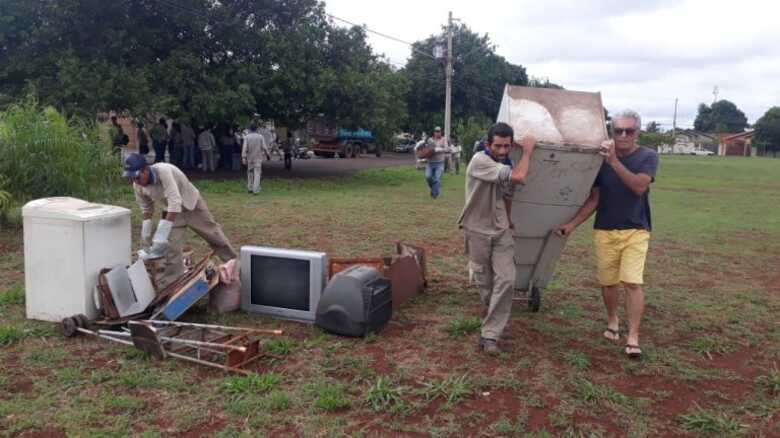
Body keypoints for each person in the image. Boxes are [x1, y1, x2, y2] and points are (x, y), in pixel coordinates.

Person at [554, 109, 659, 360]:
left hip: (636, 229)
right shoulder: (600, 161)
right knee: (608, 283)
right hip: (605, 230)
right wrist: (572, 224)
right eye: (618, 130)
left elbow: (638, 187)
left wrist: (613, 161)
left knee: (632, 282)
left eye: (629, 131)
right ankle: (613, 321)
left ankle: (633, 337)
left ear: (637, 133)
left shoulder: (647, 156)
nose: (623, 135)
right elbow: (595, 199)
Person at [457, 122, 536, 355]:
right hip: (476, 228)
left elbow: (508, 194)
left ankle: (490, 335)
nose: (503, 151)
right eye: (498, 146)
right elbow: (520, 176)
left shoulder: (507, 163)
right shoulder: (480, 161)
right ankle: (491, 312)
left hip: (501, 230)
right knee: (486, 282)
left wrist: (509, 221)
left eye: (507, 146)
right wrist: (528, 150)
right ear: (487, 144)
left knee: (507, 279)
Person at [122, 153, 237, 288]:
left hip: (192, 205)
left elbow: (175, 201)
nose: (135, 181)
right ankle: (171, 285)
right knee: (171, 249)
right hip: (171, 212)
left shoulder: (163, 171)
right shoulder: (138, 186)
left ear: (146, 169)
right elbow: (146, 209)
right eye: (132, 178)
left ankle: (236, 266)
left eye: (137, 176)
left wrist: (161, 235)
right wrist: (146, 236)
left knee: (214, 236)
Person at [418, 126, 448, 198]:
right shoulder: (429, 140)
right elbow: (423, 148)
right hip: (430, 163)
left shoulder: (443, 140)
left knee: (437, 179)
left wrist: (438, 149)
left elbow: (447, 149)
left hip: (439, 163)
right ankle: (434, 189)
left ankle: (435, 194)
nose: (437, 133)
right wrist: (423, 156)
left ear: (441, 132)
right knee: (428, 177)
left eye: (439, 131)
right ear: (434, 132)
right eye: (436, 131)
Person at [242, 124, 270, 194]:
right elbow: (264, 147)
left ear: (250, 129)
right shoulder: (260, 137)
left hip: (250, 158)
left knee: (250, 173)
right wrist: (268, 155)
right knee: (257, 173)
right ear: (256, 129)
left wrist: (243, 157)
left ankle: (250, 188)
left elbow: (244, 148)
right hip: (258, 158)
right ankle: (256, 189)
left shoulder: (247, 137)